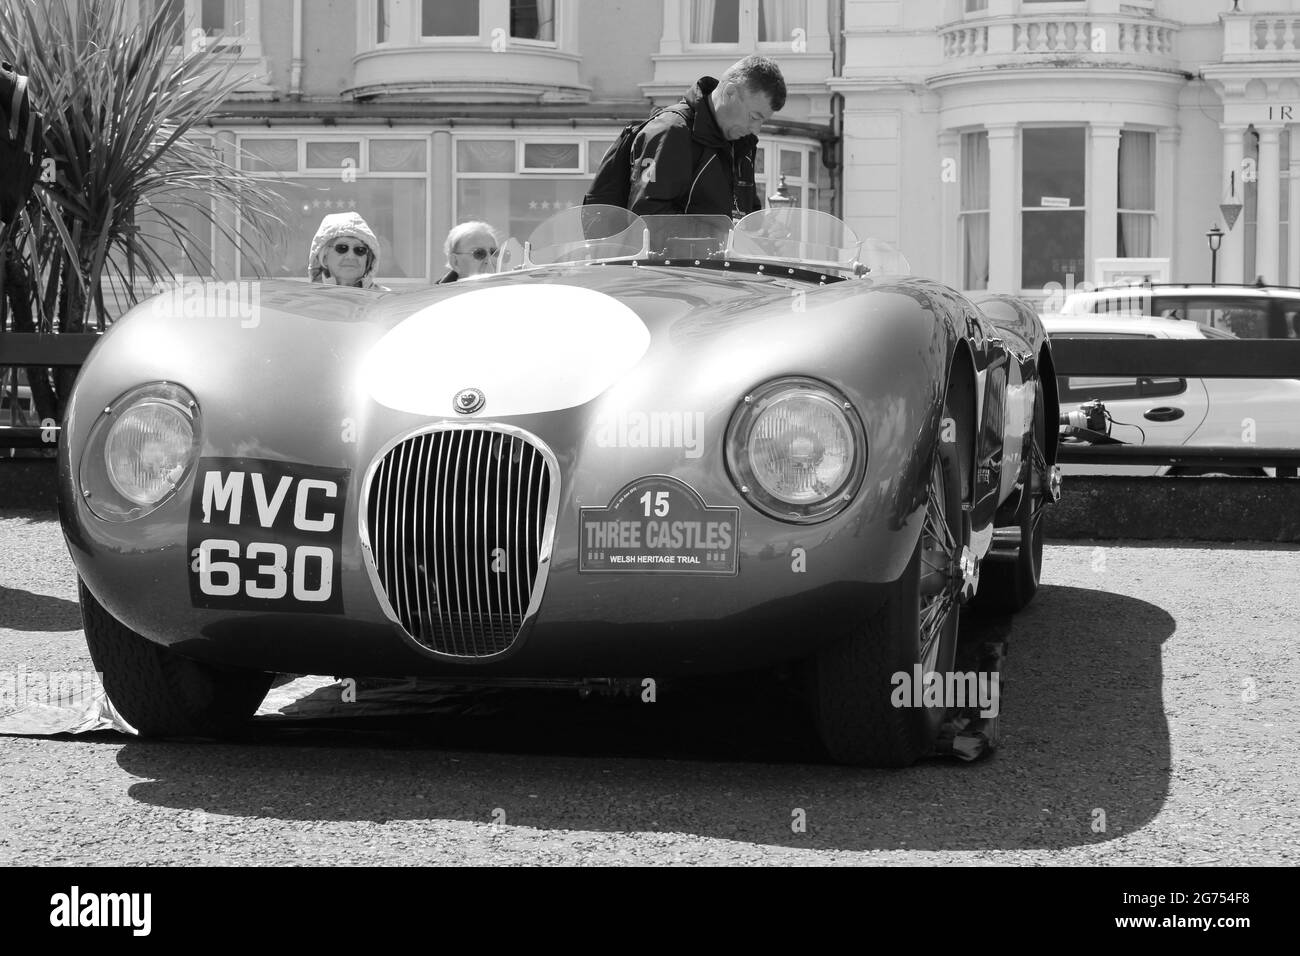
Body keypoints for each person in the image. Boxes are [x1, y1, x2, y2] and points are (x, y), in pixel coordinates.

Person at [627, 55, 786, 220]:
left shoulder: (743, 146)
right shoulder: (671, 131)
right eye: (754, 117)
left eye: (762, 121)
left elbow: (744, 216)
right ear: (729, 92)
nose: (756, 129)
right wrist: (717, 236)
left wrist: (764, 232)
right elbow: (647, 217)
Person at [307, 212, 388, 290]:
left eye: (360, 250)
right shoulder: (306, 301)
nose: (351, 256)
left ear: (368, 260)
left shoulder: (387, 301)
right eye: (342, 248)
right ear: (324, 258)